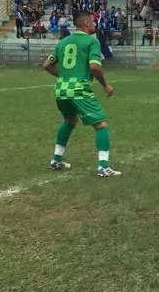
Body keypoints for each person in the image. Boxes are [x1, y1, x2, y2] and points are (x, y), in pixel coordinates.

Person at [42, 11, 120, 177]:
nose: (95, 24)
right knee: (100, 124)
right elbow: (94, 66)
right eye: (93, 22)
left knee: (70, 120)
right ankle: (103, 167)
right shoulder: (92, 41)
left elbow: (47, 65)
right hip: (79, 89)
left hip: (60, 88)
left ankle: (56, 160)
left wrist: (64, 77)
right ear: (86, 23)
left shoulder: (63, 41)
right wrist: (105, 85)